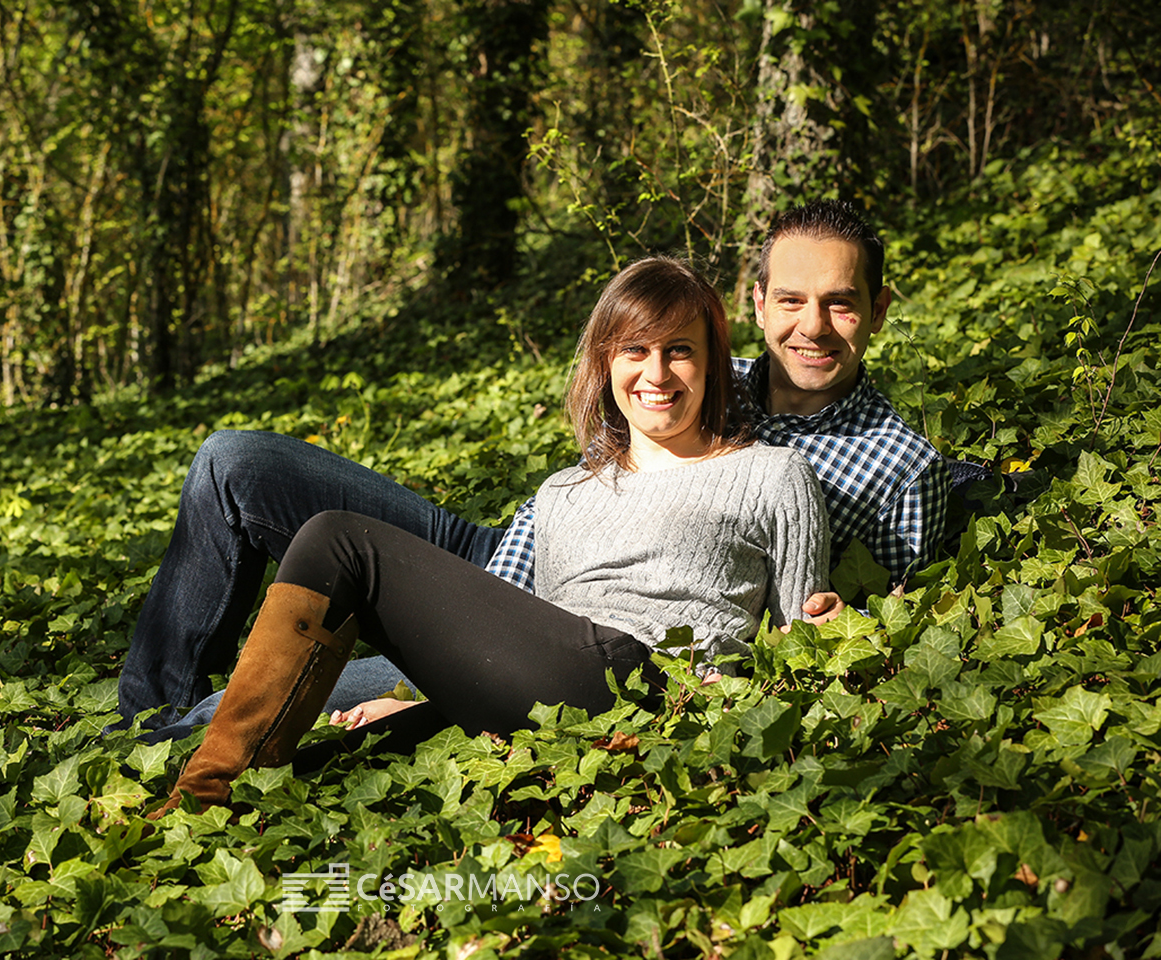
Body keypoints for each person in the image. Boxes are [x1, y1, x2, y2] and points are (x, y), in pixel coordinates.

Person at [151, 256, 830, 815]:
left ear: (713, 363)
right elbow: (513, 642)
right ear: (605, 361)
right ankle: (206, 807)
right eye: (636, 351)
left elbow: (800, 655)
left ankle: (199, 791)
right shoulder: (563, 493)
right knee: (315, 776)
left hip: (652, 687)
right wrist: (422, 694)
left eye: (679, 351)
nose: (656, 374)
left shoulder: (773, 476)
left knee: (339, 542)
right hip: (553, 703)